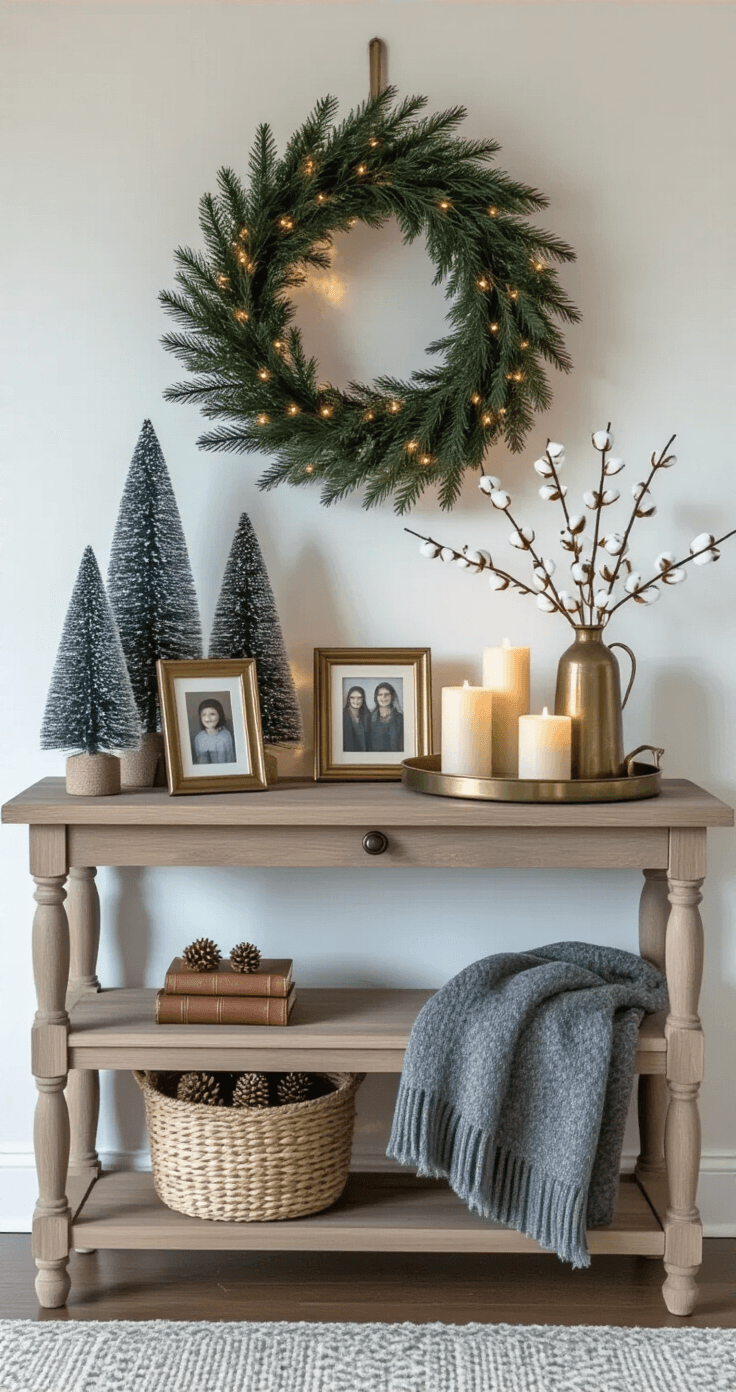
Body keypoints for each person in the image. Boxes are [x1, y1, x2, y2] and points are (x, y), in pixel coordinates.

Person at [193, 698, 236, 764]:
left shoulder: (226, 735)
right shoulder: (199, 738)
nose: (208, 718)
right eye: (204, 715)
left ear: (220, 715)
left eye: (212, 714)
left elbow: (230, 758)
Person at [369, 681, 404, 753]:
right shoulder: (368, 718)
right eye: (380, 694)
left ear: (392, 696)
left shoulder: (400, 718)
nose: (383, 697)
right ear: (376, 697)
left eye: (387, 694)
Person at [343, 685, 371, 752]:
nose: (356, 701)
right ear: (348, 699)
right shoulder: (342, 715)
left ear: (363, 699)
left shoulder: (367, 715)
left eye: (359, 698)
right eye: (352, 698)